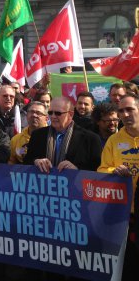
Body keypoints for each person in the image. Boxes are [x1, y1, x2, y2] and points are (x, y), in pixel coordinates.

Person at [98, 94, 139, 280]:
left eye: (130, 109)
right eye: (121, 111)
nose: (125, 114)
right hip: (124, 215)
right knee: (128, 265)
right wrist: (115, 171)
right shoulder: (113, 141)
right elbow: (102, 170)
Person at [24, 96, 102, 172]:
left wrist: (77, 170)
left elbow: (97, 170)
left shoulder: (90, 139)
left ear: (70, 115)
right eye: (50, 113)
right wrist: (36, 161)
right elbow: (26, 162)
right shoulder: (37, 135)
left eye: (58, 113)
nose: (53, 116)